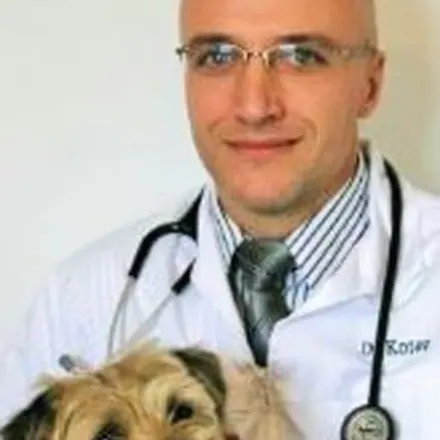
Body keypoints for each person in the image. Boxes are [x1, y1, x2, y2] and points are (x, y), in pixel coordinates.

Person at [1, 0, 440, 438]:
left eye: (300, 56)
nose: (254, 106)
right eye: (217, 56)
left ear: (370, 83)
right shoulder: (82, 300)